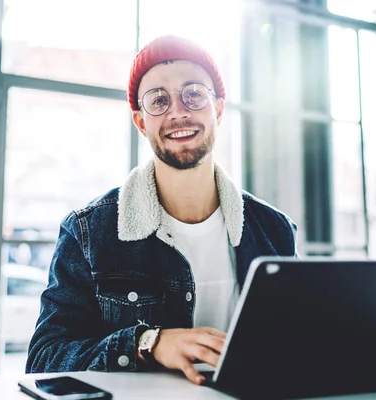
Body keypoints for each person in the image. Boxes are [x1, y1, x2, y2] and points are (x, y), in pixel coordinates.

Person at [26, 35, 298, 385]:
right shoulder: (89, 232)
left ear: (217, 108)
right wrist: (147, 343)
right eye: (158, 101)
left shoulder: (274, 229)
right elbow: (44, 358)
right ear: (140, 122)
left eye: (194, 95)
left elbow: (296, 343)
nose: (178, 112)